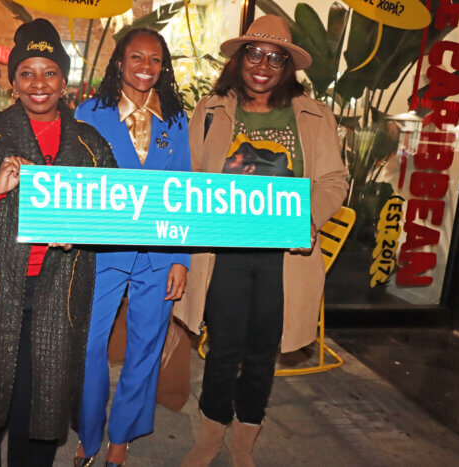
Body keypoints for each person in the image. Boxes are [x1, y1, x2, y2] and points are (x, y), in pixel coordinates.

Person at [0, 19, 116, 467]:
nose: (38, 84)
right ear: (13, 81)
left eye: (49, 71)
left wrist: (80, 233)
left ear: (63, 80)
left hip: (56, 296)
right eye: (27, 72)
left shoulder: (89, 145)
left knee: (42, 407)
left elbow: (112, 217)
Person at [178, 15, 348, 467]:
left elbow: (333, 180)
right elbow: (189, 176)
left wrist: (309, 215)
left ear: (288, 66)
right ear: (239, 58)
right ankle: (210, 436)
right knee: (223, 349)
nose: (263, 65)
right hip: (223, 253)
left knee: (260, 354)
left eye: (276, 58)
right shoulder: (212, 110)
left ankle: (244, 444)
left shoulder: (314, 115)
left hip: (284, 257)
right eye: (254, 53)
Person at [72, 28, 191, 466]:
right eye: (136, 57)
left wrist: (181, 258)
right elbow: (76, 185)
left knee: (145, 347)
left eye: (155, 59)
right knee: (88, 347)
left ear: (164, 66)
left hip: (159, 255)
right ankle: (88, 432)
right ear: (119, 62)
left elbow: (185, 191)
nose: (146, 66)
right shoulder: (90, 113)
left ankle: (121, 438)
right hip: (101, 254)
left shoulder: (176, 119)